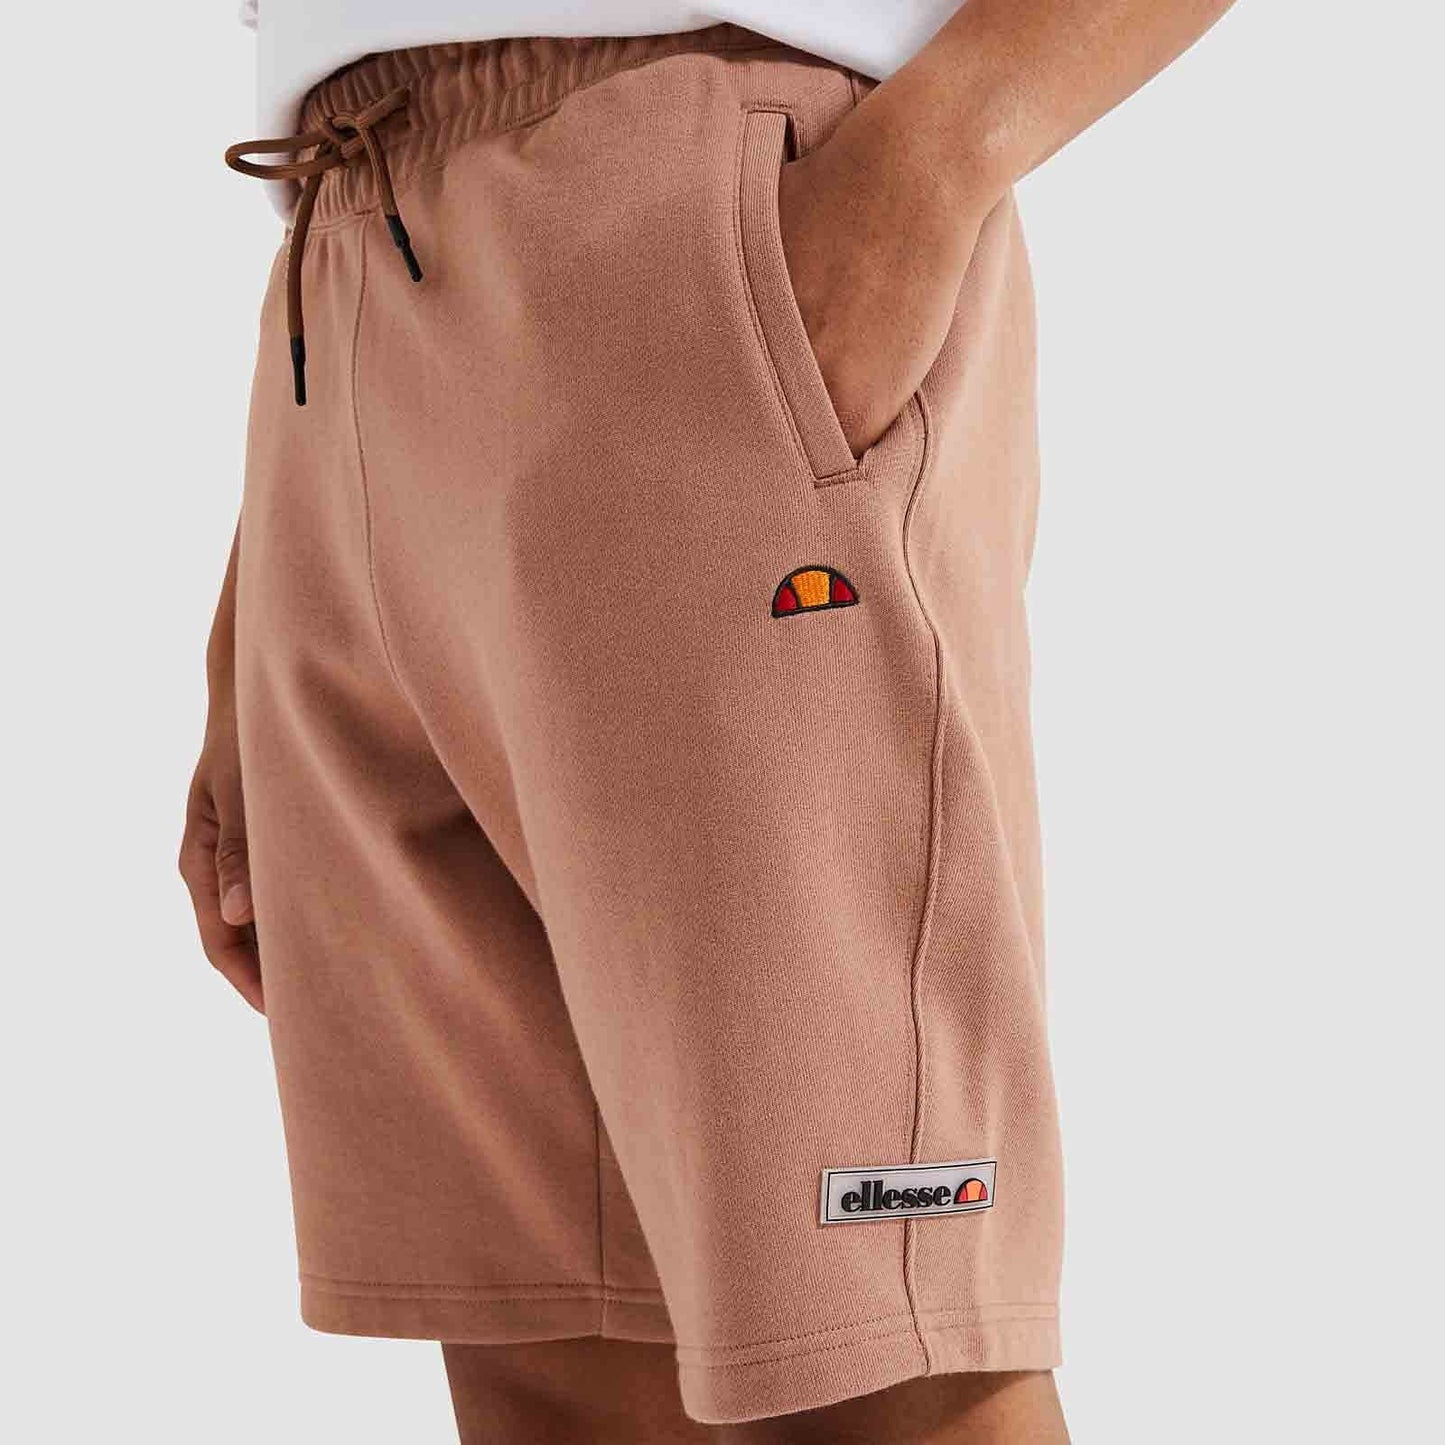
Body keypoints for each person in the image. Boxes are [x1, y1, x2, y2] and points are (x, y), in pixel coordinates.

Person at [182, 2, 1233, 1439]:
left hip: (702, 205)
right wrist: (274, 563)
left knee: (872, 1357)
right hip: (346, 264)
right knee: (554, 1355)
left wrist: (937, 153)